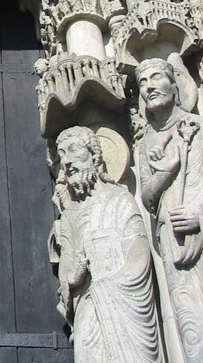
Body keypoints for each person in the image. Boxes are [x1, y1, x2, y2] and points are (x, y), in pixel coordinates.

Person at [136, 57, 203, 363]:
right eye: (142, 83)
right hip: (173, 241)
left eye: (156, 78)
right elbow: (147, 197)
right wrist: (166, 171)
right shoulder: (146, 143)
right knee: (192, 323)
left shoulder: (198, 125)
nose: (149, 87)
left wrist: (200, 212)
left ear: (174, 85)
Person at [53, 126, 163, 362]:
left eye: (73, 150)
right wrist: (73, 277)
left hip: (126, 305)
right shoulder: (70, 215)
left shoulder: (119, 199)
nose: (67, 162)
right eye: (61, 155)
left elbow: (140, 252)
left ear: (94, 155)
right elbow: (67, 263)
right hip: (89, 307)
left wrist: (113, 283)